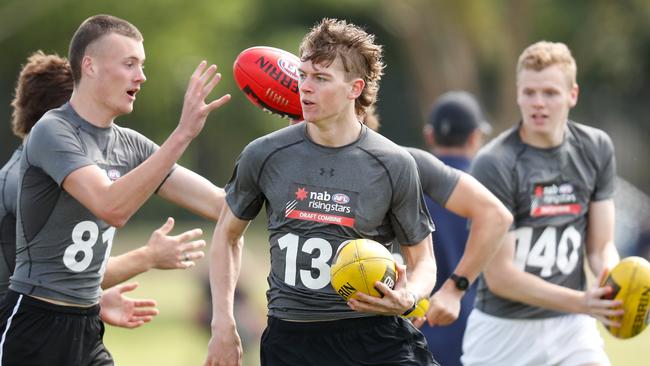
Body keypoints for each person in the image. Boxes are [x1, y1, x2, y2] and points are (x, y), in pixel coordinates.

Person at [206, 18, 438, 366]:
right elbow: (227, 235)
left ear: (354, 88)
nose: (304, 88)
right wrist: (223, 322)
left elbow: (424, 261)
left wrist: (409, 295)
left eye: (321, 78)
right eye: (302, 75)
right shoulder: (264, 154)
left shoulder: (393, 163)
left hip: (375, 337)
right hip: (293, 341)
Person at [0, 14, 229, 366]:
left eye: (142, 64)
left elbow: (222, 205)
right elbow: (112, 207)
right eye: (130, 63)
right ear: (89, 66)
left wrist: (293, 139)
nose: (142, 76)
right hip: (35, 327)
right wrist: (182, 133)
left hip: (87, 326)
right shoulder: (52, 130)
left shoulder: (131, 146)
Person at [462, 41, 622, 366]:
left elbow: (600, 246)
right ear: (518, 94)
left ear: (572, 95)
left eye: (550, 93)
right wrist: (583, 302)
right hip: (503, 332)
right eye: (529, 92)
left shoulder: (596, 148)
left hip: (571, 328)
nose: (538, 103)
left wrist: (616, 281)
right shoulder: (494, 163)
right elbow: (500, 276)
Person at [415, 91, 493, 365]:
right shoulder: (490, 196)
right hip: (479, 329)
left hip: (417, 325)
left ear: (429, 135)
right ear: (475, 137)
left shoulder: (409, 187)